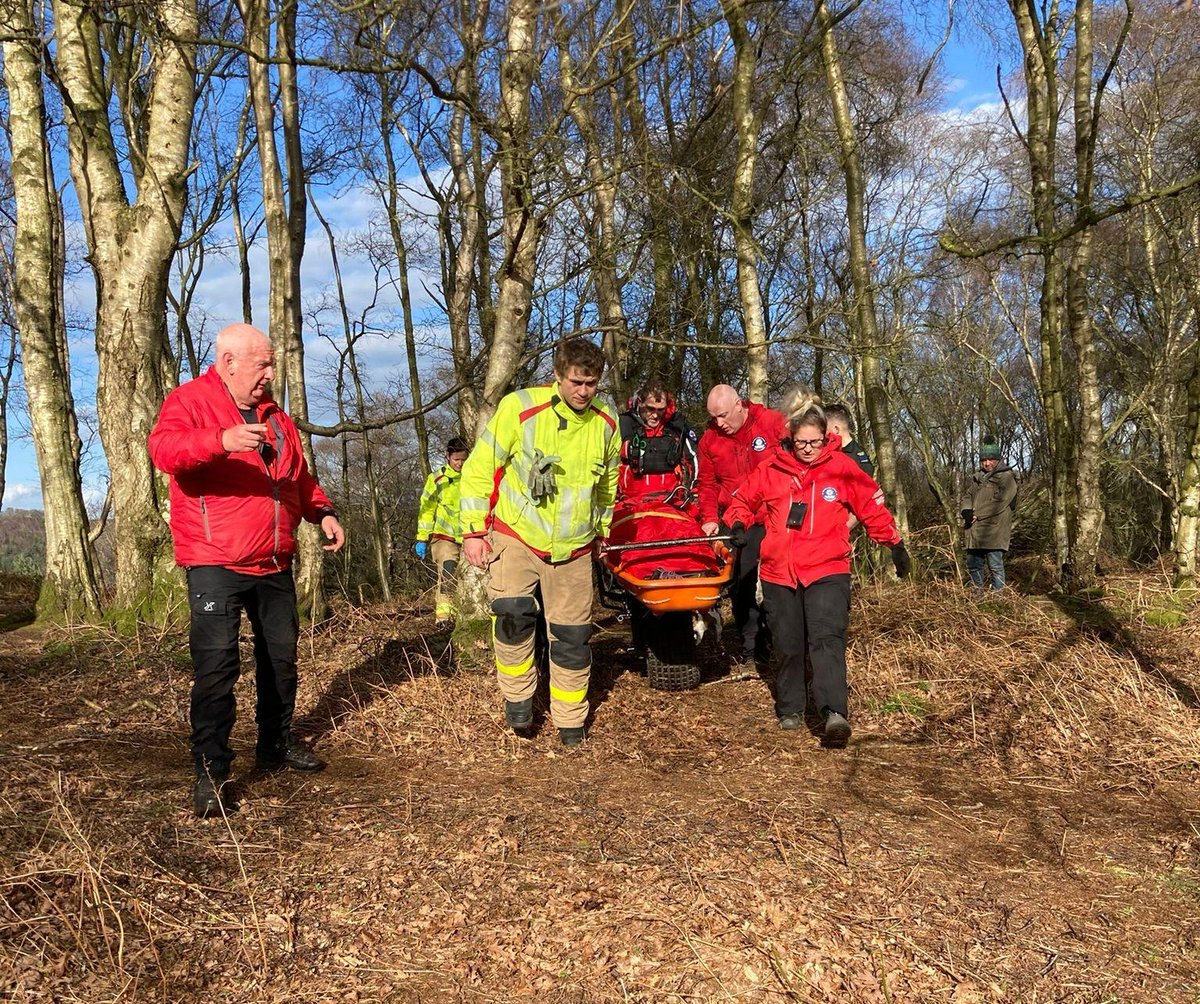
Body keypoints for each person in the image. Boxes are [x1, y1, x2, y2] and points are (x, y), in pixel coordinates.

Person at [149, 323, 345, 818]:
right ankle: (211, 772)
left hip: (275, 559)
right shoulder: (190, 401)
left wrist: (322, 512)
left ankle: (275, 745)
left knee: (281, 660)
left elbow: (298, 476)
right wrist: (221, 439)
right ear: (229, 361)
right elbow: (164, 452)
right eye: (263, 364)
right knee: (217, 667)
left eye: (272, 363)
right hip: (214, 559)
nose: (271, 373)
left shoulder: (277, 417)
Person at [459, 337, 620, 746]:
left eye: (592, 383)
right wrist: (474, 531)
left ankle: (570, 720)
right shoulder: (520, 408)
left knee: (571, 637)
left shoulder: (607, 422)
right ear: (557, 376)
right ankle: (518, 699)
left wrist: (602, 532)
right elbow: (479, 469)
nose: (584, 391)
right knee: (512, 617)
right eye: (576, 382)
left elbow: (607, 485)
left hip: (574, 548)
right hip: (517, 534)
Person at [723, 396, 910, 745]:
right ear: (790, 438)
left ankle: (833, 712)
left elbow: (869, 505)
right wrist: (737, 523)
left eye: (815, 442)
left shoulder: (842, 467)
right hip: (780, 572)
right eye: (801, 442)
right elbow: (742, 501)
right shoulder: (771, 469)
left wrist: (893, 543)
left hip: (827, 567)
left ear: (826, 437)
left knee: (826, 639)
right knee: (789, 643)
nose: (808, 449)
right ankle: (791, 707)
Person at [696, 384, 788, 662]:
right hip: (737, 520)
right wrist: (710, 519)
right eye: (713, 418)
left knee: (778, 581)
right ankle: (751, 646)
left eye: (723, 415)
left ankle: (781, 638)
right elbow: (707, 485)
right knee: (740, 581)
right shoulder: (709, 440)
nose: (719, 423)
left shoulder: (772, 423)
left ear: (739, 405)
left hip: (776, 515)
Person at [617, 378, 699, 506]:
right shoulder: (623, 424)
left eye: (660, 410)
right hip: (630, 503)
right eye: (650, 409)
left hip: (671, 501)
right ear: (640, 403)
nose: (655, 415)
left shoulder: (677, 426)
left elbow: (694, 458)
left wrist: (695, 490)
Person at [415, 436, 470, 625]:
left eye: (463, 459)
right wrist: (422, 538)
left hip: (469, 537)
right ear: (448, 456)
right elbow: (426, 510)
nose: (460, 464)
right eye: (457, 459)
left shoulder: (473, 477)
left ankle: (465, 616)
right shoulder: (436, 479)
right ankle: (444, 619)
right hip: (444, 538)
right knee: (448, 575)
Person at [960, 435, 1019, 591]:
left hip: (994, 530)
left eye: (991, 459)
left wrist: (976, 514)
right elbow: (967, 496)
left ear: (998, 459)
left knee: (995, 566)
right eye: (984, 460)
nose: (986, 463)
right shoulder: (977, 477)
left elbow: (999, 502)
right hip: (974, 529)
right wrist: (966, 511)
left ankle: (998, 599)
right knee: (973, 565)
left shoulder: (1007, 477)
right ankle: (977, 597)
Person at [823, 402, 874, 477]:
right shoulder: (825, 452)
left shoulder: (858, 459)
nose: (821, 434)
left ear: (836, 430)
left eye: (824, 430)